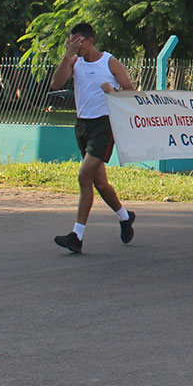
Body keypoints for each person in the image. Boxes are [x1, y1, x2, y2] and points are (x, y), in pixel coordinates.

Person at [50, 23, 137, 253]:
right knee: (99, 182)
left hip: (104, 125)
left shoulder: (109, 62)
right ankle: (125, 217)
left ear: (89, 40)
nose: (74, 46)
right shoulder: (74, 61)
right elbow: (56, 83)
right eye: (71, 42)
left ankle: (77, 235)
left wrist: (113, 92)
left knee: (83, 176)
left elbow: (131, 91)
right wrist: (67, 56)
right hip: (82, 124)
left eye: (77, 41)